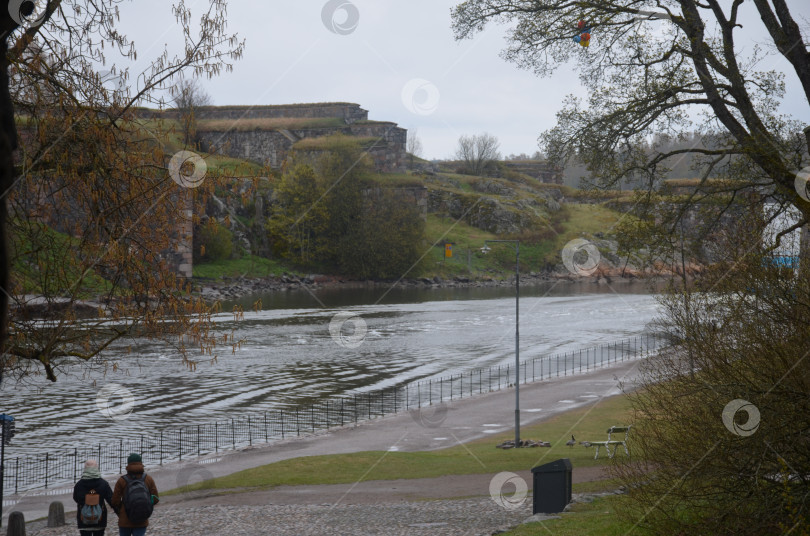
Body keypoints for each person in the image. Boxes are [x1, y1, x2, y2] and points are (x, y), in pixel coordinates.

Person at [111, 453, 159, 536]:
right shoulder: (148, 479)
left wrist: (121, 510)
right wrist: (145, 506)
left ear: (128, 464)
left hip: (125, 520)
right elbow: (155, 498)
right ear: (141, 463)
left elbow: (115, 501)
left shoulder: (122, 480)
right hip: (142, 518)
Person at [72, 459, 114, 536]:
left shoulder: (79, 485)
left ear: (85, 469)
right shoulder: (103, 484)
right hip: (100, 518)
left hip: (84, 518)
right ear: (96, 468)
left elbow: (75, 498)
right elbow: (111, 500)